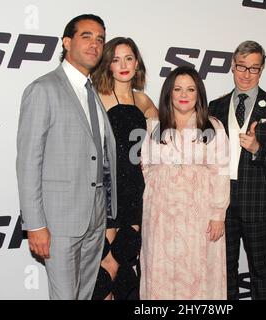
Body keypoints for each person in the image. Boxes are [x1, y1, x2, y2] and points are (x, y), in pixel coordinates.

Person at [16, 14, 118, 300]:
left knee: (84, 295)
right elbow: (28, 163)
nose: (95, 44)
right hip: (59, 220)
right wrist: (35, 225)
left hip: (94, 217)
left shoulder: (92, 92)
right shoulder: (43, 89)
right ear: (67, 42)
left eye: (100, 39)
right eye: (87, 36)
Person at [209, 40, 266, 300]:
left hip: (258, 204)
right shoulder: (215, 107)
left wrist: (257, 148)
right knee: (225, 270)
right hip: (222, 203)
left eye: (253, 69)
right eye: (242, 67)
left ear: (262, 69)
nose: (246, 74)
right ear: (232, 66)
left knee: (260, 271)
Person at [140, 66, 230, 299]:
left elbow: (221, 171)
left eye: (190, 89)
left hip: (200, 215)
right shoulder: (153, 127)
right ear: (169, 93)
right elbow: (146, 167)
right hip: (161, 216)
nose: (184, 95)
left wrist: (218, 213)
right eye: (178, 89)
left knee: (197, 270)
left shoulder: (212, 127)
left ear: (198, 94)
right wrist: (162, 188)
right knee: (160, 270)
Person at [90, 37, 158, 300]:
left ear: (137, 62)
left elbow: (165, 137)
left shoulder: (143, 100)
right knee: (105, 264)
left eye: (128, 58)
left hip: (135, 189)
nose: (123, 65)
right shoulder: (96, 96)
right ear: (107, 65)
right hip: (107, 191)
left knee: (125, 261)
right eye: (116, 59)